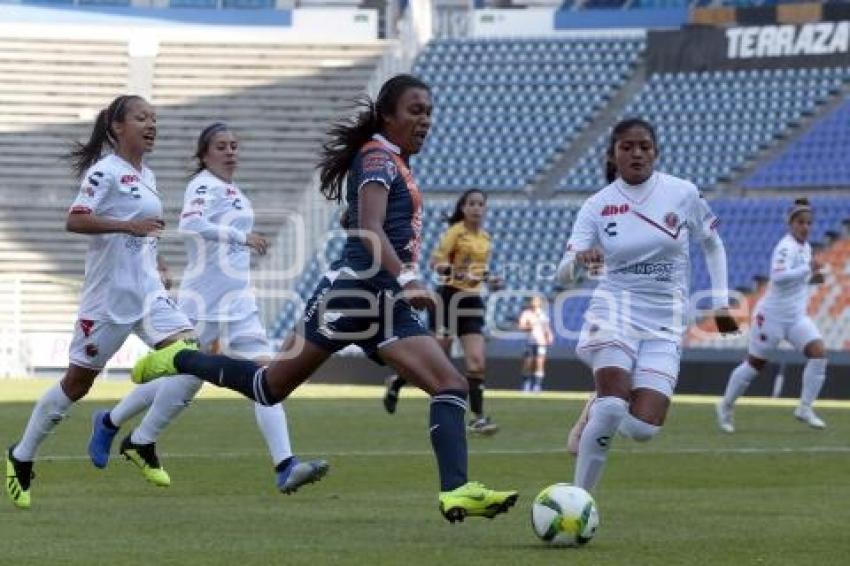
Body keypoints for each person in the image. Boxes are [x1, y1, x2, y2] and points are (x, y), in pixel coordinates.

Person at [128, 74, 518, 523]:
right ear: (388, 116)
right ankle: (178, 359)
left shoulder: (394, 161)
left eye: (429, 111)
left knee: (450, 386)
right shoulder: (376, 157)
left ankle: (457, 490)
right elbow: (369, 228)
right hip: (353, 293)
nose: (425, 119)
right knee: (269, 386)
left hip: (385, 301)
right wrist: (409, 276)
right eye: (415, 110)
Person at [88, 123, 329, 493]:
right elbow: (190, 222)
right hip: (203, 303)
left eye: (234, 145)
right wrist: (241, 236)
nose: (230, 151)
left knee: (267, 381)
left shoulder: (234, 191)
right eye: (221, 146)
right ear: (204, 154)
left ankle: (286, 465)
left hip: (239, 303)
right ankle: (119, 427)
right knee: (184, 381)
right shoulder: (203, 185)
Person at [5, 95, 202, 509]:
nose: (152, 124)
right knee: (77, 384)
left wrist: (157, 258)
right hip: (107, 299)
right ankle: (21, 456)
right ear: (117, 127)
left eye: (154, 118)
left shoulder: (147, 173)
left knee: (192, 359)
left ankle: (141, 440)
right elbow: (75, 219)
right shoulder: (104, 172)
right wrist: (127, 225)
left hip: (149, 294)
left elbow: (142, 231)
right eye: (142, 118)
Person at [556, 117, 739, 493]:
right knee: (612, 408)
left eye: (644, 146)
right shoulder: (597, 206)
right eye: (627, 147)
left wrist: (720, 301)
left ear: (656, 152)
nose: (636, 153)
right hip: (615, 311)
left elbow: (712, 243)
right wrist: (579, 261)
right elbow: (563, 274)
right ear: (613, 154)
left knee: (642, 429)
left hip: (665, 320)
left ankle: (598, 402)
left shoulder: (682, 192)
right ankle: (580, 501)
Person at [382, 189, 502, 435]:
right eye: (472, 204)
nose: (477, 208)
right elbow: (436, 264)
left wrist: (491, 279)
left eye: (481, 204)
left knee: (477, 362)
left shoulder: (486, 238)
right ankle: (398, 380)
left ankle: (477, 418)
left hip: (471, 300)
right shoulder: (455, 233)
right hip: (448, 299)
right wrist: (458, 274)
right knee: (438, 357)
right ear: (464, 208)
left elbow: (479, 270)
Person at [716, 198, 828, 432]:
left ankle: (804, 408)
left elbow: (800, 279)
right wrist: (807, 269)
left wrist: (814, 276)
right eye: (800, 222)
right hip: (772, 317)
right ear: (791, 224)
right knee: (755, 364)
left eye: (809, 223)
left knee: (818, 354)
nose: (805, 227)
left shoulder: (806, 248)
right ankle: (725, 406)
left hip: (796, 317)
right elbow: (777, 277)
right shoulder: (785, 247)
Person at [518, 295, 554, 393]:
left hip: (541, 342)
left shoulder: (543, 314)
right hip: (530, 342)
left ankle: (537, 385)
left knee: (540, 363)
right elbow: (521, 326)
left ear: (540, 303)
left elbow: (546, 328)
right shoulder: (526, 313)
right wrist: (529, 326)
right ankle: (526, 384)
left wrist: (549, 336)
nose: (534, 303)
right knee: (528, 363)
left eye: (536, 301)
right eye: (533, 301)